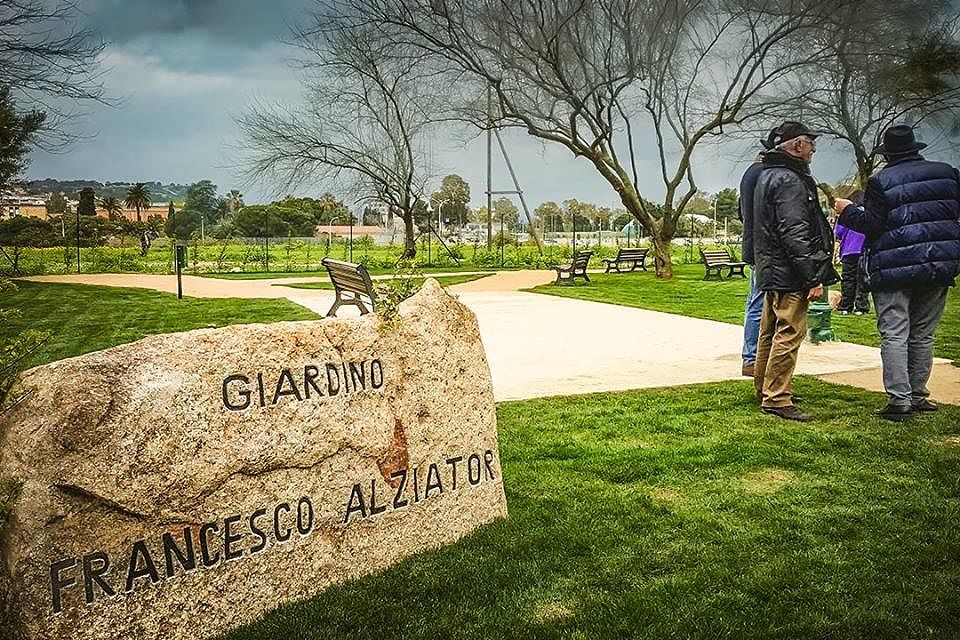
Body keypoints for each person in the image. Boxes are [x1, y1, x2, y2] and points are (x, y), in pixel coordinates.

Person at [834, 124, 960, 421]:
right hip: (937, 265)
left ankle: (899, 399)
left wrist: (848, 211)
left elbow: (873, 224)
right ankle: (918, 393)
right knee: (923, 334)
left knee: (894, 333)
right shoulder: (948, 174)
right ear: (916, 149)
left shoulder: (881, 181)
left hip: (894, 266)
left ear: (887, 155)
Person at [752, 121, 839, 422]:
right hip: (789, 271)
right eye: (810, 143)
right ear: (797, 145)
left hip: (772, 268)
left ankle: (766, 388)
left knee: (769, 332)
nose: (814, 148)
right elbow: (795, 232)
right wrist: (811, 276)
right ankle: (776, 397)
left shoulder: (768, 175)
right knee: (789, 332)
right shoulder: (790, 180)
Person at [739, 129, 779, 377]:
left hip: (755, 246)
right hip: (761, 248)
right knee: (758, 303)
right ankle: (752, 357)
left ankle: (752, 356)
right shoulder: (762, 174)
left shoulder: (751, 173)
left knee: (755, 301)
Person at [834, 219, 870, 314]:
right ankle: (861, 307)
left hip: (849, 250)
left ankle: (845, 306)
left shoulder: (845, 213)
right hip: (864, 249)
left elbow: (839, 232)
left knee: (848, 279)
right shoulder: (867, 212)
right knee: (862, 278)